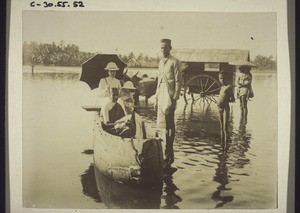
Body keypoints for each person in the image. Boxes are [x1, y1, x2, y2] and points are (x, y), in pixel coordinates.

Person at [154, 38, 184, 167]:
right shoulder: (161, 62)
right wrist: (156, 97)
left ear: (170, 48)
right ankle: (166, 147)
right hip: (161, 93)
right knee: (164, 123)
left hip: (170, 94)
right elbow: (159, 80)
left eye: (165, 47)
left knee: (170, 122)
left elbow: (179, 81)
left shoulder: (175, 62)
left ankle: (169, 149)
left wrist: (175, 97)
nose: (163, 49)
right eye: (161, 47)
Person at [217, 71, 235, 144]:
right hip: (219, 109)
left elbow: (233, 99)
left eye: (224, 78)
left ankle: (226, 145)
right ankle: (222, 143)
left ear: (226, 78)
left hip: (225, 109)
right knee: (221, 127)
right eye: (221, 78)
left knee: (225, 128)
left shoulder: (229, 87)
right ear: (219, 79)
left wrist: (226, 101)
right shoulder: (222, 87)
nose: (222, 80)